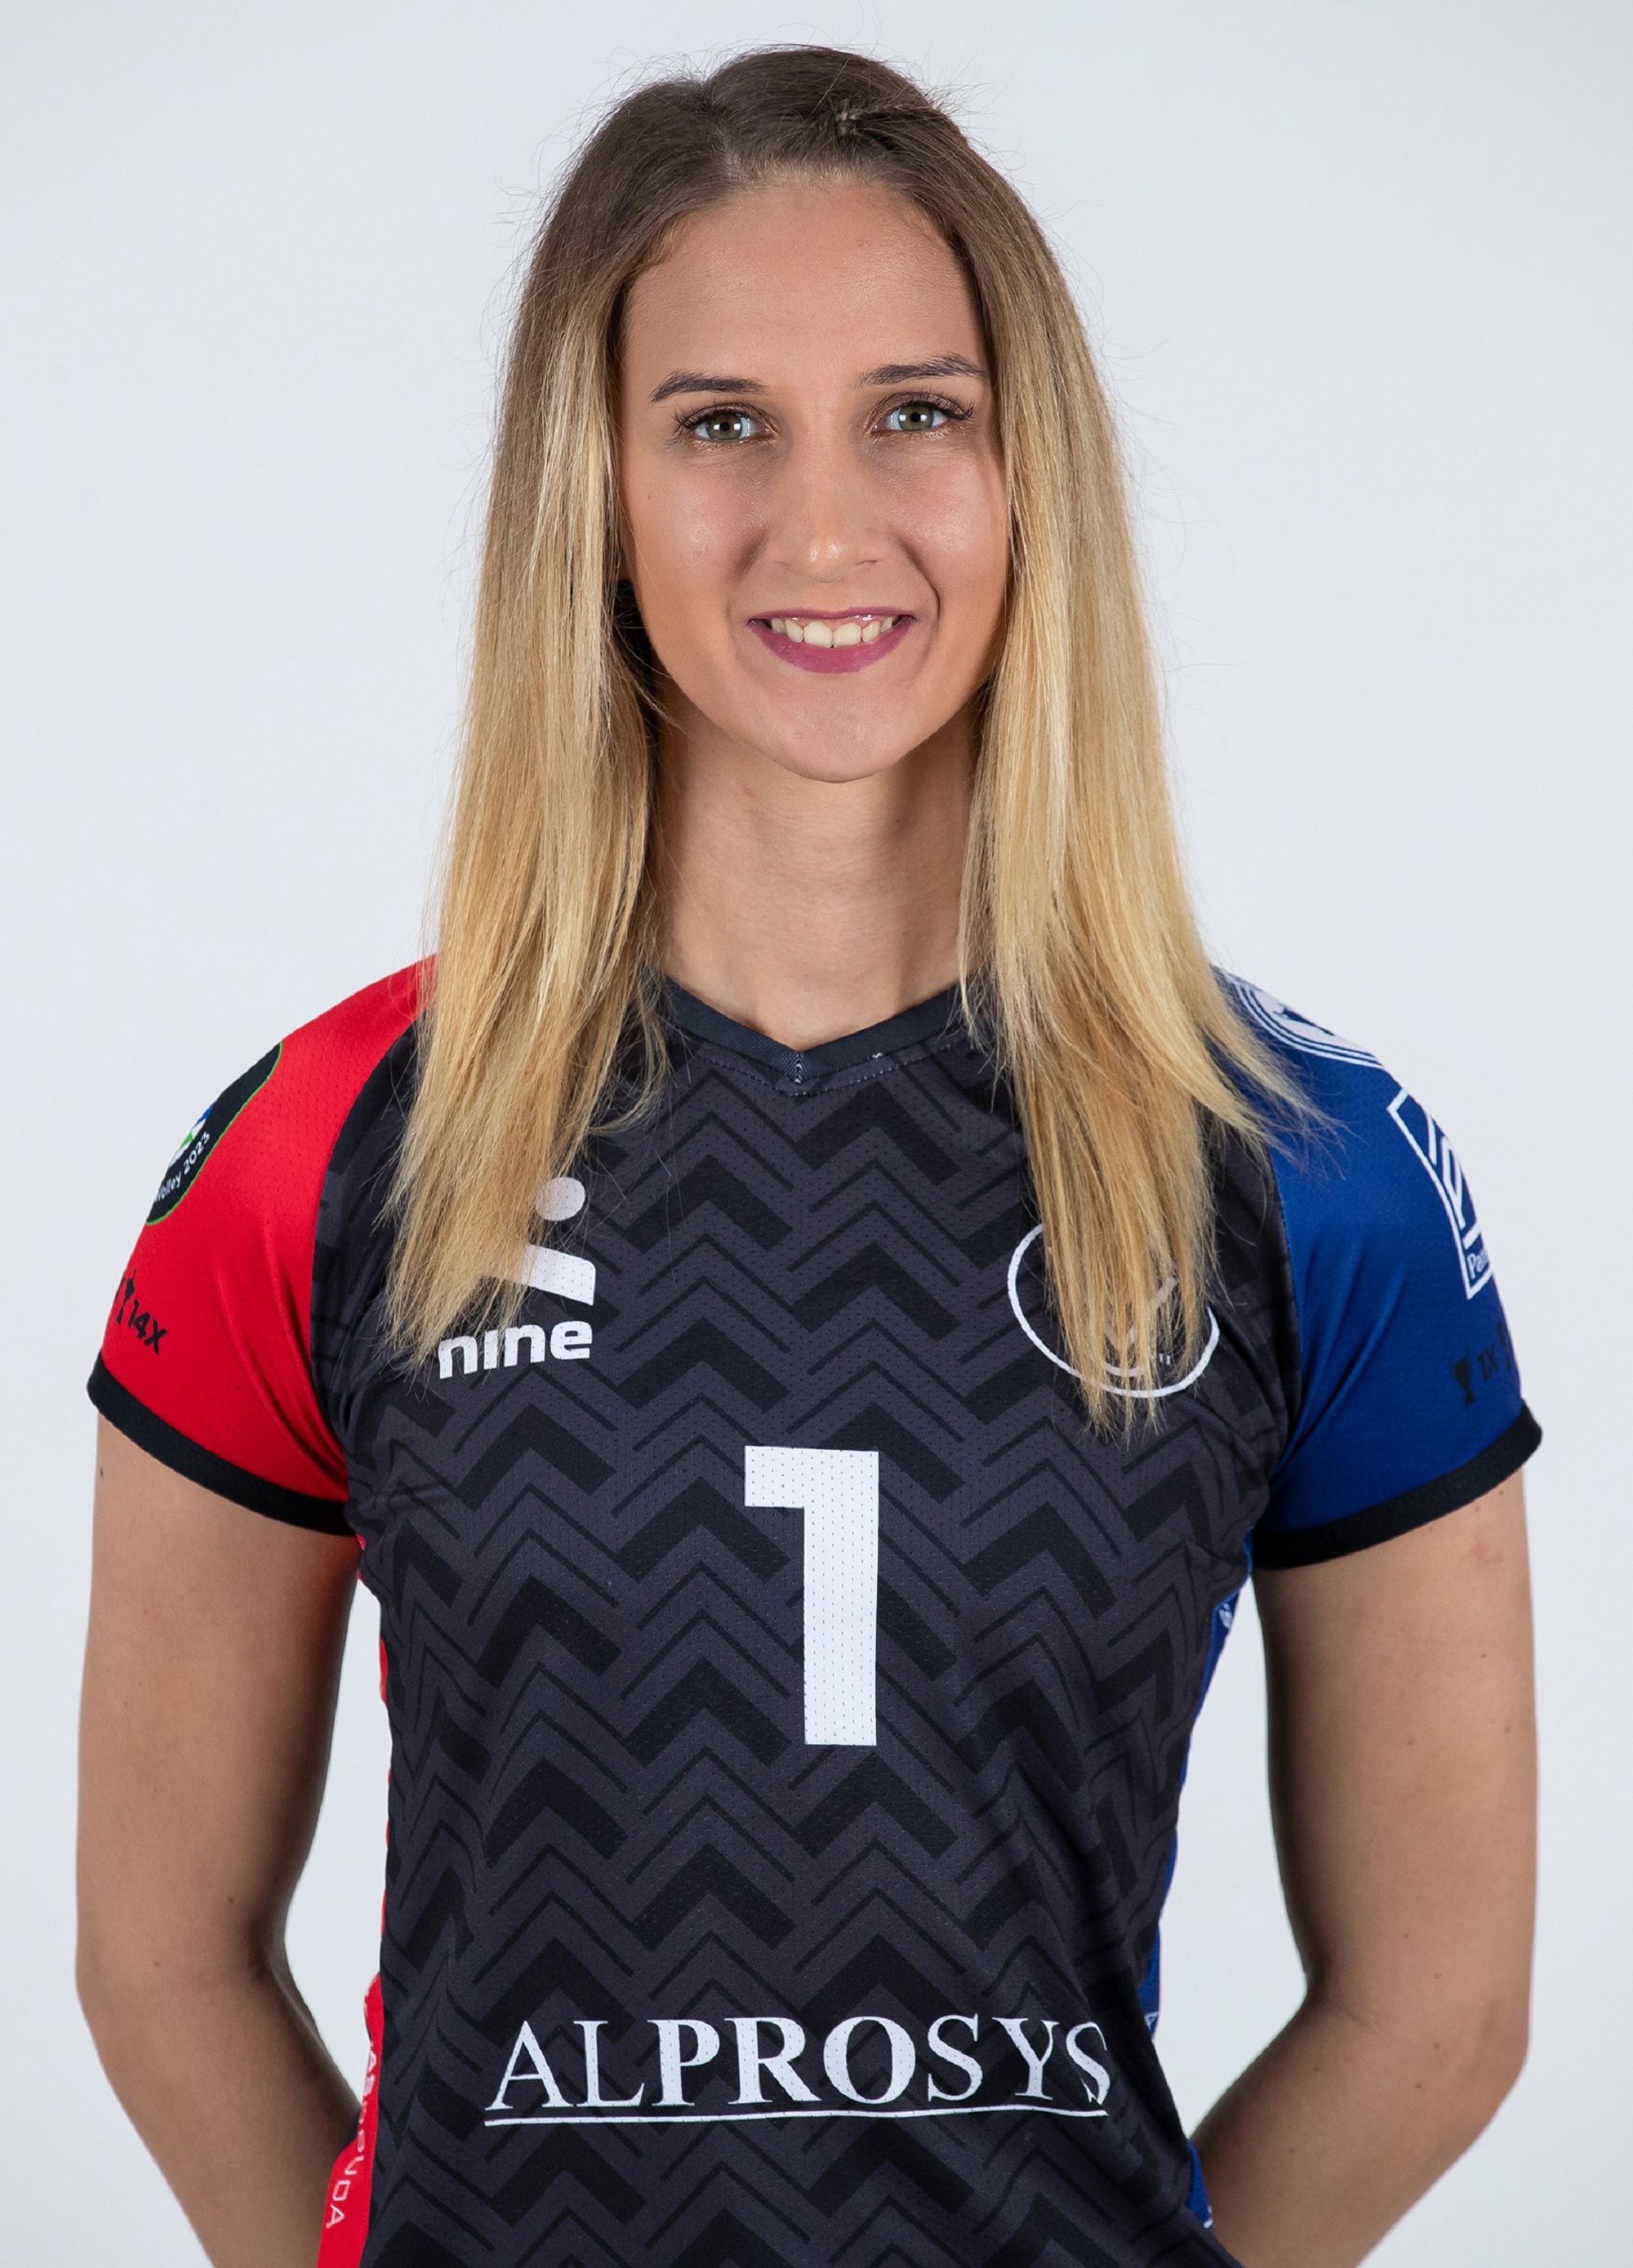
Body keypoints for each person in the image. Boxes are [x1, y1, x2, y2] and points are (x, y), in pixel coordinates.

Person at [76, 46, 1539, 2268]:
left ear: (1030, 472)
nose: (827, 529)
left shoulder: (1305, 1169)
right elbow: (159, 1957)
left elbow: (1436, 2015)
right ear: (594, 486)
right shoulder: (328, 1146)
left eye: (916, 413)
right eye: (722, 423)